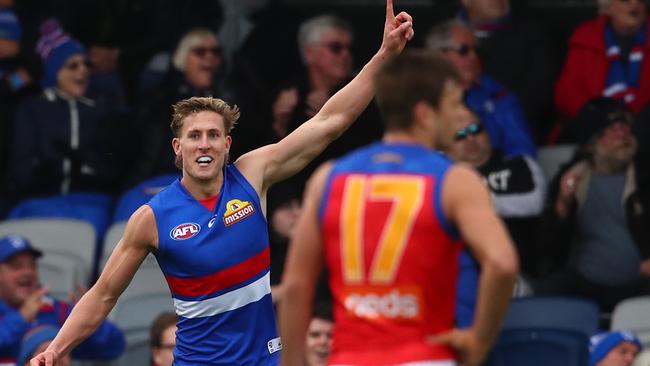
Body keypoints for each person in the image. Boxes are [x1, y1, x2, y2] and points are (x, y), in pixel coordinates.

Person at [30, 1, 414, 364]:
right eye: (194, 136)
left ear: (227, 145)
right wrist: (56, 348)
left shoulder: (252, 173)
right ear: (177, 148)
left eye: (214, 135)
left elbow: (328, 122)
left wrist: (383, 58)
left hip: (266, 359)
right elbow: (102, 295)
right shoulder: (151, 217)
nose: (205, 144)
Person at [278, 51, 518, 366]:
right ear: (424, 114)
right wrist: (479, 341)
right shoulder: (454, 180)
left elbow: (296, 286)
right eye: (454, 103)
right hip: (424, 355)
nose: (462, 115)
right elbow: (502, 264)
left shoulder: (329, 178)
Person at [534, 98, 650, 312]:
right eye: (613, 129)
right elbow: (548, 249)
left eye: (625, 126)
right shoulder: (572, 178)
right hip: (585, 283)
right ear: (592, 142)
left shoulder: (644, 174)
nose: (622, 134)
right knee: (544, 293)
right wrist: (562, 205)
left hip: (639, 283)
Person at [445, 117, 546, 277]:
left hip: (518, 268)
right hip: (463, 273)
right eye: (460, 135)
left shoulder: (519, 163)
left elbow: (535, 203)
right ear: (446, 146)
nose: (470, 139)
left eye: (475, 130)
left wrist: (472, 204)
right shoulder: (444, 176)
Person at [0, 235, 125, 364]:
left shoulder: (53, 309)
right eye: (16, 266)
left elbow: (114, 347)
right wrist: (21, 318)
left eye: (32, 265)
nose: (27, 272)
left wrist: (90, 316)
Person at [425, 19, 536, 157]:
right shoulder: (420, 100)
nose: (473, 57)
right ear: (439, 56)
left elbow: (522, 151)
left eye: (476, 50)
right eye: (463, 50)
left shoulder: (498, 95)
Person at [555, 0, 650, 122]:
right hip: (593, 123)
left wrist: (633, 116)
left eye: (640, 1)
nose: (635, 5)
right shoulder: (586, 36)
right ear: (608, 7)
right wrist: (597, 117)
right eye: (625, 1)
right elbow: (567, 93)